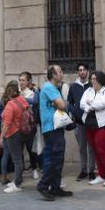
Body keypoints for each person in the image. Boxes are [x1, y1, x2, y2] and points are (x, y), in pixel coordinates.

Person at [36, 65, 70, 201]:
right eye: (60, 71)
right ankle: (43, 185)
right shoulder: (49, 87)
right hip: (52, 129)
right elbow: (62, 105)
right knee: (54, 159)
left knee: (57, 158)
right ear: (53, 75)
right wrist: (65, 102)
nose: (62, 73)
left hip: (55, 128)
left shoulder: (53, 88)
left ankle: (55, 187)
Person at [80, 70, 105, 187]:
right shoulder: (88, 91)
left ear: (101, 79)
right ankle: (101, 175)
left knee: (101, 149)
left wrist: (91, 103)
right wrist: (90, 105)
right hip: (89, 124)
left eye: (95, 79)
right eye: (92, 79)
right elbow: (82, 104)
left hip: (103, 124)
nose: (92, 81)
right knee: (95, 150)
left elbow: (103, 103)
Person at [67, 63, 95, 181]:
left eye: (84, 70)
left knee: (91, 147)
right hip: (79, 122)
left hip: (92, 121)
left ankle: (92, 170)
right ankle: (83, 170)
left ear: (87, 71)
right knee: (82, 147)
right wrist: (73, 112)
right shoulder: (73, 86)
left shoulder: (92, 85)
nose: (82, 72)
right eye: (79, 70)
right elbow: (69, 102)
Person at [0, 81, 29, 193]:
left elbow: (6, 124)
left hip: (12, 133)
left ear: (10, 92)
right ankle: (18, 180)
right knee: (19, 158)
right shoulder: (22, 100)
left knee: (16, 160)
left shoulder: (10, 105)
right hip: (22, 132)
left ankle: (17, 184)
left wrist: (1, 137)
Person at [19, 72, 40, 178]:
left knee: (31, 148)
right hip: (18, 126)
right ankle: (20, 170)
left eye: (23, 80)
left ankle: (34, 168)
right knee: (19, 149)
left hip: (30, 125)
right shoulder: (17, 93)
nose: (21, 82)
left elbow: (34, 104)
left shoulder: (31, 93)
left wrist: (23, 99)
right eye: (20, 80)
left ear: (28, 82)